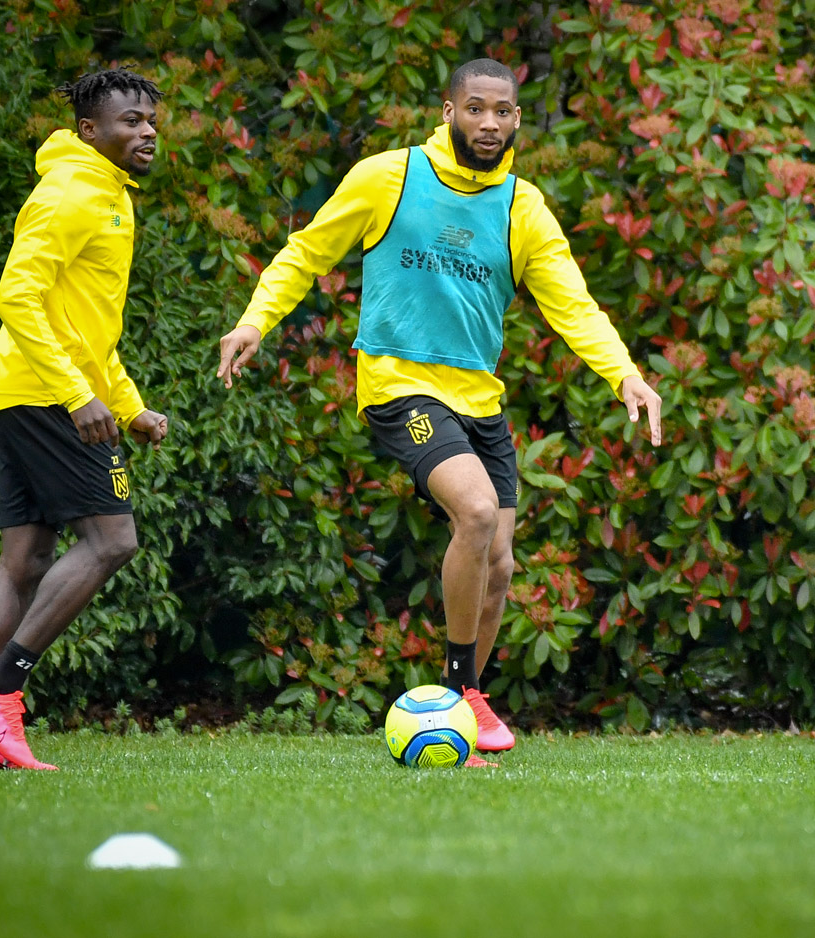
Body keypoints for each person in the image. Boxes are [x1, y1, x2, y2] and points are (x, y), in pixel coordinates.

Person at [216, 58, 662, 766]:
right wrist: (254, 322)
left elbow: (573, 305)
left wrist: (626, 376)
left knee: (502, 566)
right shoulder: (387, 177)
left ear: (517, 119)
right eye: (477, 108)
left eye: (504, 112)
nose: (490, 124)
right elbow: (306, 254)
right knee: (477, 513)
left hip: (479, 401)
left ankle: (464, 703)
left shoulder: (523, 207)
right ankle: (463, 693)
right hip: (401, 388)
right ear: (449, 109)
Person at [0, 68, 169, 771]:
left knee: (23, 562)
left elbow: (87, 323)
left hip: (20, 390)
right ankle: (0, 692)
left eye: (150, 120)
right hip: (47, 396)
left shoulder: (106, 193)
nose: (146, 131)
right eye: (130, 121)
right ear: (89, 131)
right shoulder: (72, 192)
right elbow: (17, 297)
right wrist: (78, 396)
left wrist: (131, 406)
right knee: (112, 541)